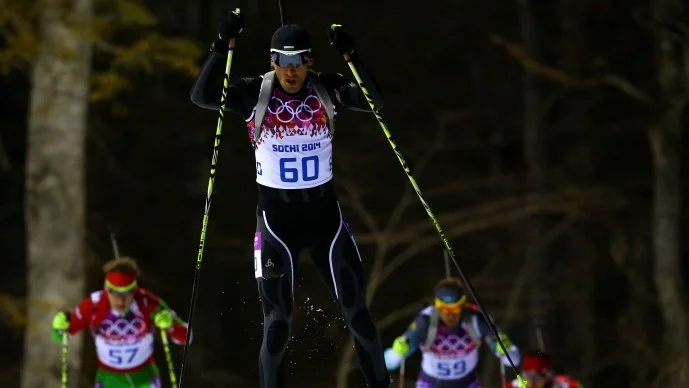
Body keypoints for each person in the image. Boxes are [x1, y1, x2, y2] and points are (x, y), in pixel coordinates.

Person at [189, 10, 391, 388]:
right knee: (278, 322)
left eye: (298, 60)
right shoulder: (256, 92)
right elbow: (201, 96)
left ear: (309, 61)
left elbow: (374, 102)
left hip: (324, 219)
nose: (291, 70)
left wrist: (351, 55)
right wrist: (220, 45)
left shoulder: (327, 88)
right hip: (276, 222)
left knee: (356, 313)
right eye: (283, 60)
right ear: (272, 60)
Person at [50, 257, 190, 388]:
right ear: (106, 288)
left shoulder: (148, 303)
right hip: (110, 380)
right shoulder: (93, 306)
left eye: (126, 293)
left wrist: (170, 325)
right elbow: (60, 336)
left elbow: (186, 337)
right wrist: (59, 325)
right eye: (114, 293)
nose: (120, 300)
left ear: (134, 290)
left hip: (144, 379)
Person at [383, 277, 521, 388]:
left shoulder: (477, 319)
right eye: (444, 309)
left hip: (467, 383)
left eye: (455, 309)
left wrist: (506, 348)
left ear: (462, 305)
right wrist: (397, 352)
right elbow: (389, 364)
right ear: (437, 305)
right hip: (430, 384)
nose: (450, 315)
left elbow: (513, 361)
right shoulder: (425, 321)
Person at [506, 351, 583, 388]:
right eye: (528, 375)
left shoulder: (567, 385)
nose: (532, 382)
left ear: (548, 376)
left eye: (537, 377)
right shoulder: (513, 386)